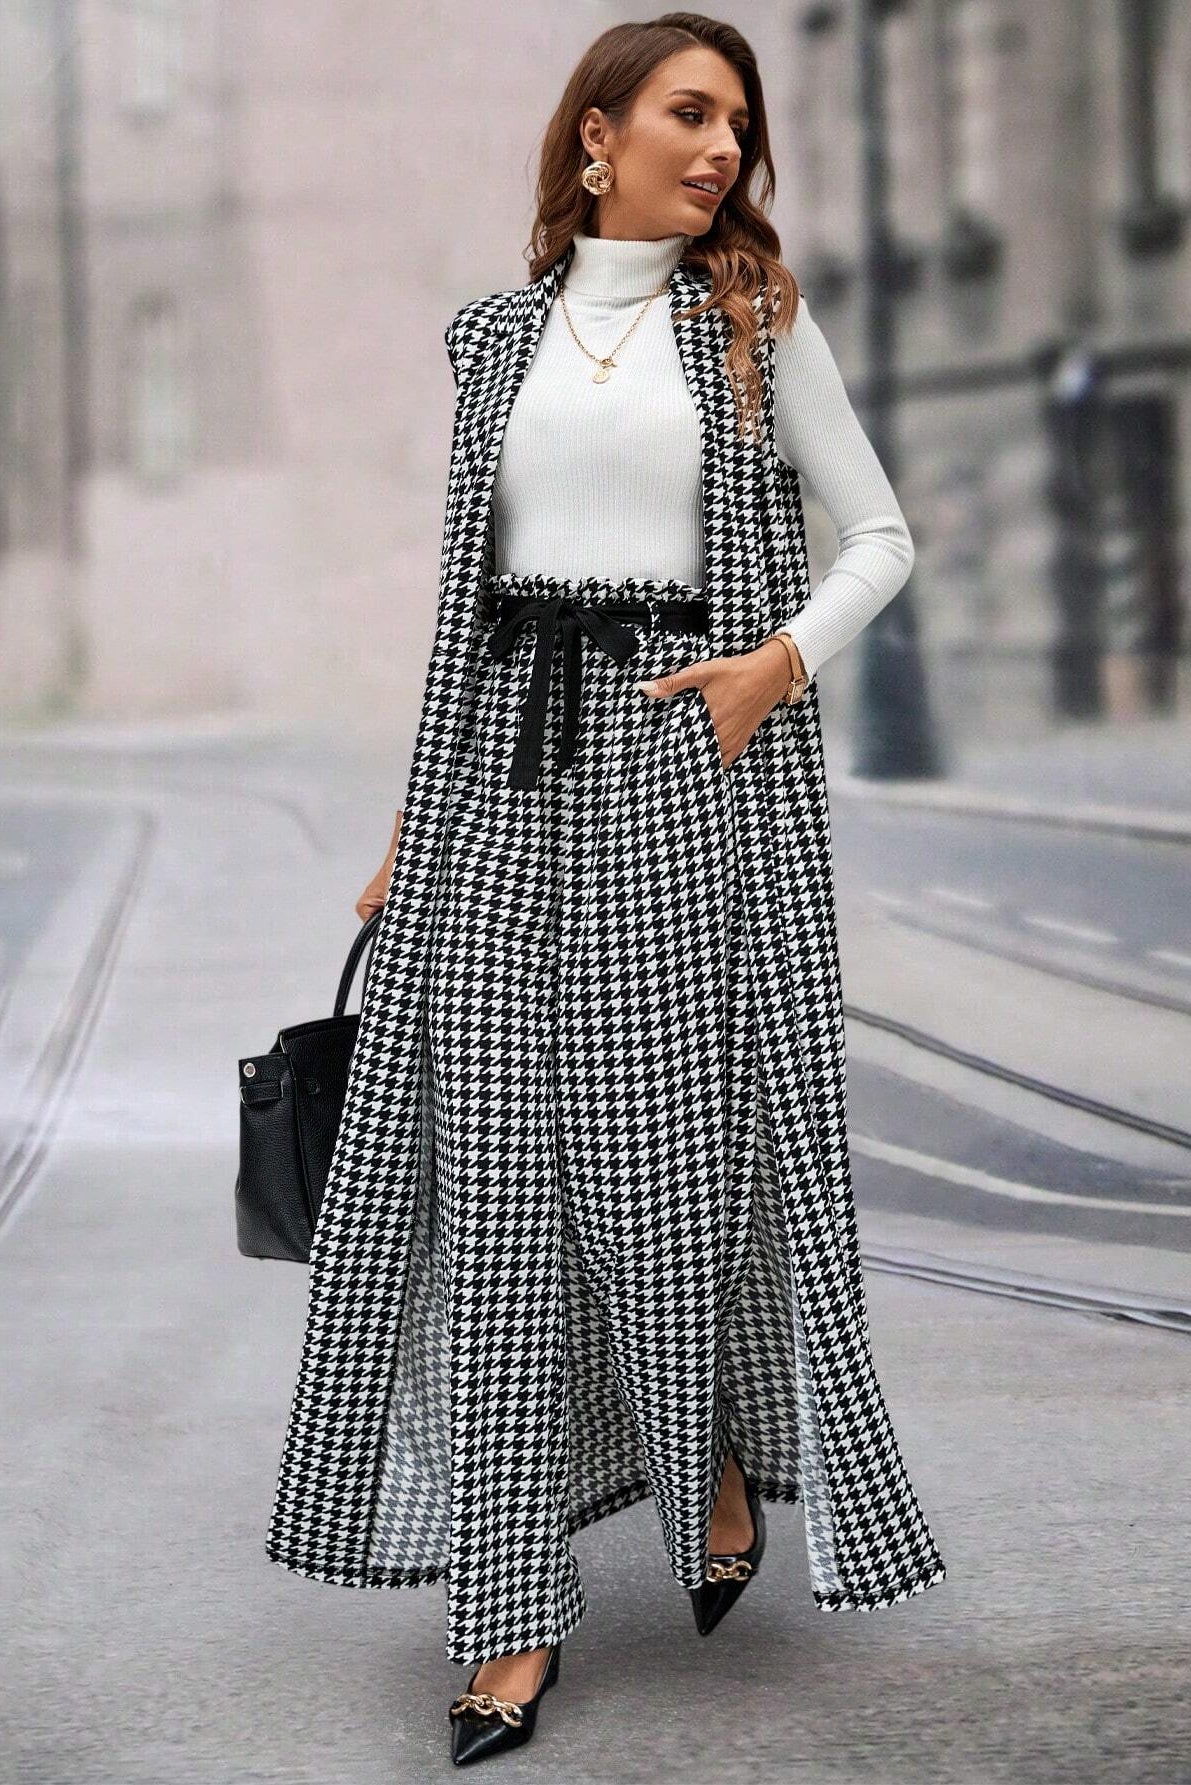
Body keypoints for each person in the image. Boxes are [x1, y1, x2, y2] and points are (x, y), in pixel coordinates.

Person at [269, 12, 946, 1767]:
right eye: (689, 113)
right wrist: (418, 830)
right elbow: (459, 609)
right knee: (488, 1209)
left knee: (656, 1183)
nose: (723, 148)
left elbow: (883, 537)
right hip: (501, 785)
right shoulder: (492, 339)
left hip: (673, 780)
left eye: (740, 122)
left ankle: (707, 1440)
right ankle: (509, 1625)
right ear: (596, 136)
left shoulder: (753, 324)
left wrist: (770, 665)